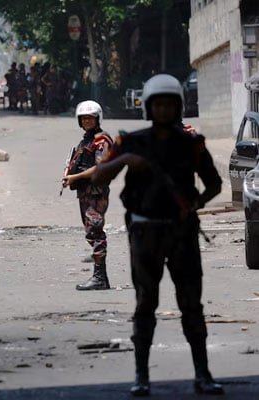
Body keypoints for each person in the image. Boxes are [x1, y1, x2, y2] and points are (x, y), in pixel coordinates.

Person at [91, 74, 224, 396]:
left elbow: (215, 183)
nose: (164, 110)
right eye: (158, 105)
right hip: (144, 231)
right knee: (145, 305)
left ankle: (203, 374)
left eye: (169, 105)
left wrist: (195, 204)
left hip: (181, 232)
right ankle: (141, 376)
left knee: (191, 305)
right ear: (149, 108)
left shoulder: (192, 144)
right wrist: (125, 160)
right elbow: (99, 174)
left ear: (178, 107)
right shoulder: (130, 142)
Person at [62, 100, 113, 290]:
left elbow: (100, 166)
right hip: (85, 192)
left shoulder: (101, 139)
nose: (86, 121)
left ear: (98, 118)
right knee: (90, 231)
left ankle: (99, 277)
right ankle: (102, 277)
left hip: (96, 192)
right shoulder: (86, 140)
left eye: (90, 118)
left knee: (96, 229)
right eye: (83, 118)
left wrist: (75, 176)